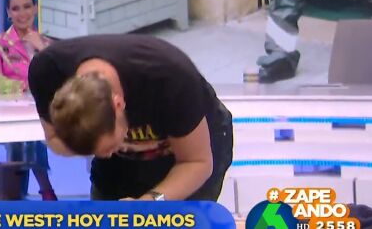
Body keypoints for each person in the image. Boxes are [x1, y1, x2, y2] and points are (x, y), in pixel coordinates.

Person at [27, 34, 233, 201]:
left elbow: (197, 162)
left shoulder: (169, 79)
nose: (104, 155)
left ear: (118, 105)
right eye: (96, 151)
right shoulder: (48, 72)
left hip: (195, 146)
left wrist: (151, 201)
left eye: (108, 148)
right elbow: (54, 139)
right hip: (124, 157)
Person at [0, 0, 58, 201]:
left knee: (35, 129)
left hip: (41, 109)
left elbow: (60, 77)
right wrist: (25, 87)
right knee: (25, 134)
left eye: (27, 7)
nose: (22, 13)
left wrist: (41, 49)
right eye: (16, 8)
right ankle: (45, 189)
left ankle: (17, 193)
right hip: (9, 111)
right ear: (8, 12)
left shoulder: (47, 43)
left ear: (35, 9)